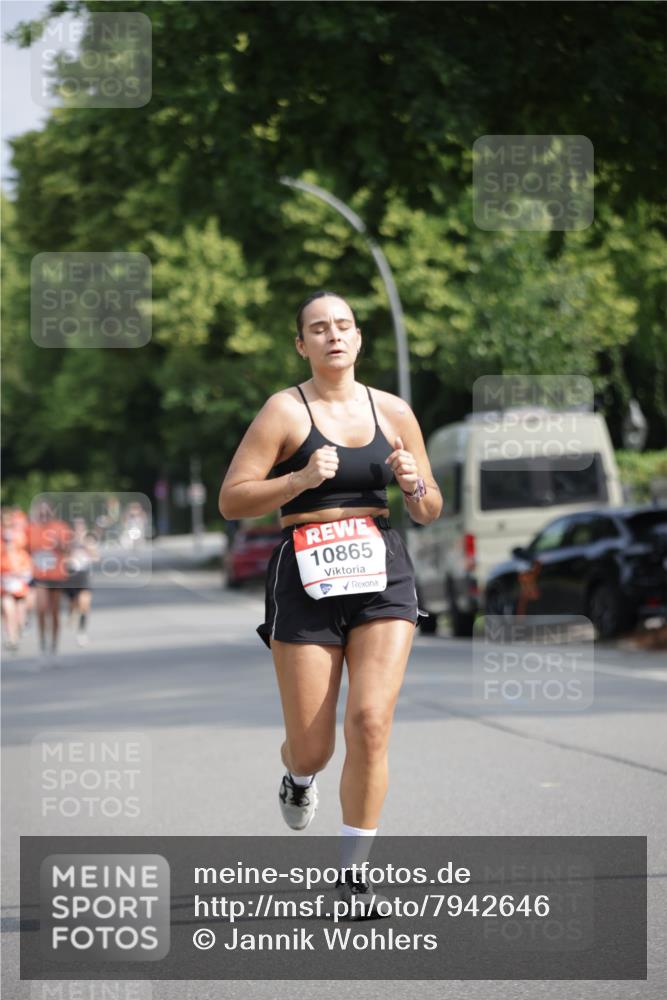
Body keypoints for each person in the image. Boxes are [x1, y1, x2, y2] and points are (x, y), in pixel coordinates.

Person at [219, 291, 442, 917]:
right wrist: (298, 480)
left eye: (343, 325)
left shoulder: (393, 411)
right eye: (319, 329)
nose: (333, 336)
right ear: (302, 345)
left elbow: (429, 508)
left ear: (359, 338)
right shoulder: (284, 411)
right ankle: (299, 776)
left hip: (380, 568)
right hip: (305, 571)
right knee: (313, 746)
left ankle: (353, 876)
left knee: (370, 722)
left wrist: (413, 484)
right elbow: (232, 500)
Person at [28, 501, 72, 666]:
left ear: (52, 513)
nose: (44, 516)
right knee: (41, 609)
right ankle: (42, 645)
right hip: (40, 575)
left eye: (47, 513)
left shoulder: (60, 527)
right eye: (41, 513)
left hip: (56, 575)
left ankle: (53, 647)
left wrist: (58, 543)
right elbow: (25, 548)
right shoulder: (31, 529)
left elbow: (68, 550)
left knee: (54, 612)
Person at [64, 517, 98, 647]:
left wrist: (86, 547)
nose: (78, 530)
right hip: (71, 574)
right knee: (74, 603)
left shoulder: (89, 541)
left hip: (84, 575)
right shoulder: (68, 541)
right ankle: (71, 613)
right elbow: (63, 558)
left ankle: (81, 632)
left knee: (84, 603)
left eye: (81, 527)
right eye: (76, 528)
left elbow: (96, 557)